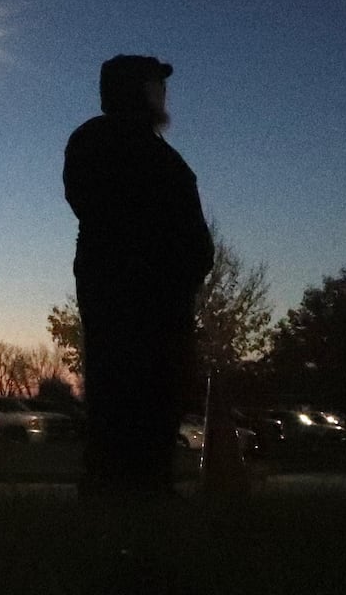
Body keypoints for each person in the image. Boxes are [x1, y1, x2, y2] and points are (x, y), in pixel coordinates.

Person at [65, 54, 212, 497]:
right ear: (135, 91)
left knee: (133, 391)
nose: (163, 94)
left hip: (135, 293)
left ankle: (125, 483)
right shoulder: (144, 155)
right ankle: (133, 484)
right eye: (155, 85)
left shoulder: (99, 144)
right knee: (136, 390)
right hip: (141, 297)